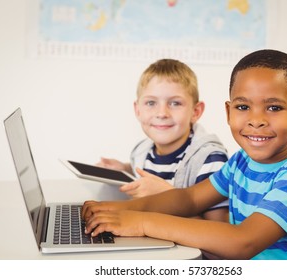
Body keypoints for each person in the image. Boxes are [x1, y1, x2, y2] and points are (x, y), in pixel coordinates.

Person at [82, 49, 287, 260]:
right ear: (228, 111)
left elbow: (243, 242)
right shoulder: (241, 163)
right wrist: (118, 210)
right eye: (243, 107)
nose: (256, 120)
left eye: (274, 107)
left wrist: (141, 222)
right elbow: (190, 199)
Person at [97, 58, 229, 221]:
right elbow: (154, 171)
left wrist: (168, 197)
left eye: (175, 103)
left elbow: (218, 233)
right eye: (151, 102)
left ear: (195, 111)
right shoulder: (142, 150)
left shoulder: (209, 160)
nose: (162, 113)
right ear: (138, 110)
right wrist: (125, 169)